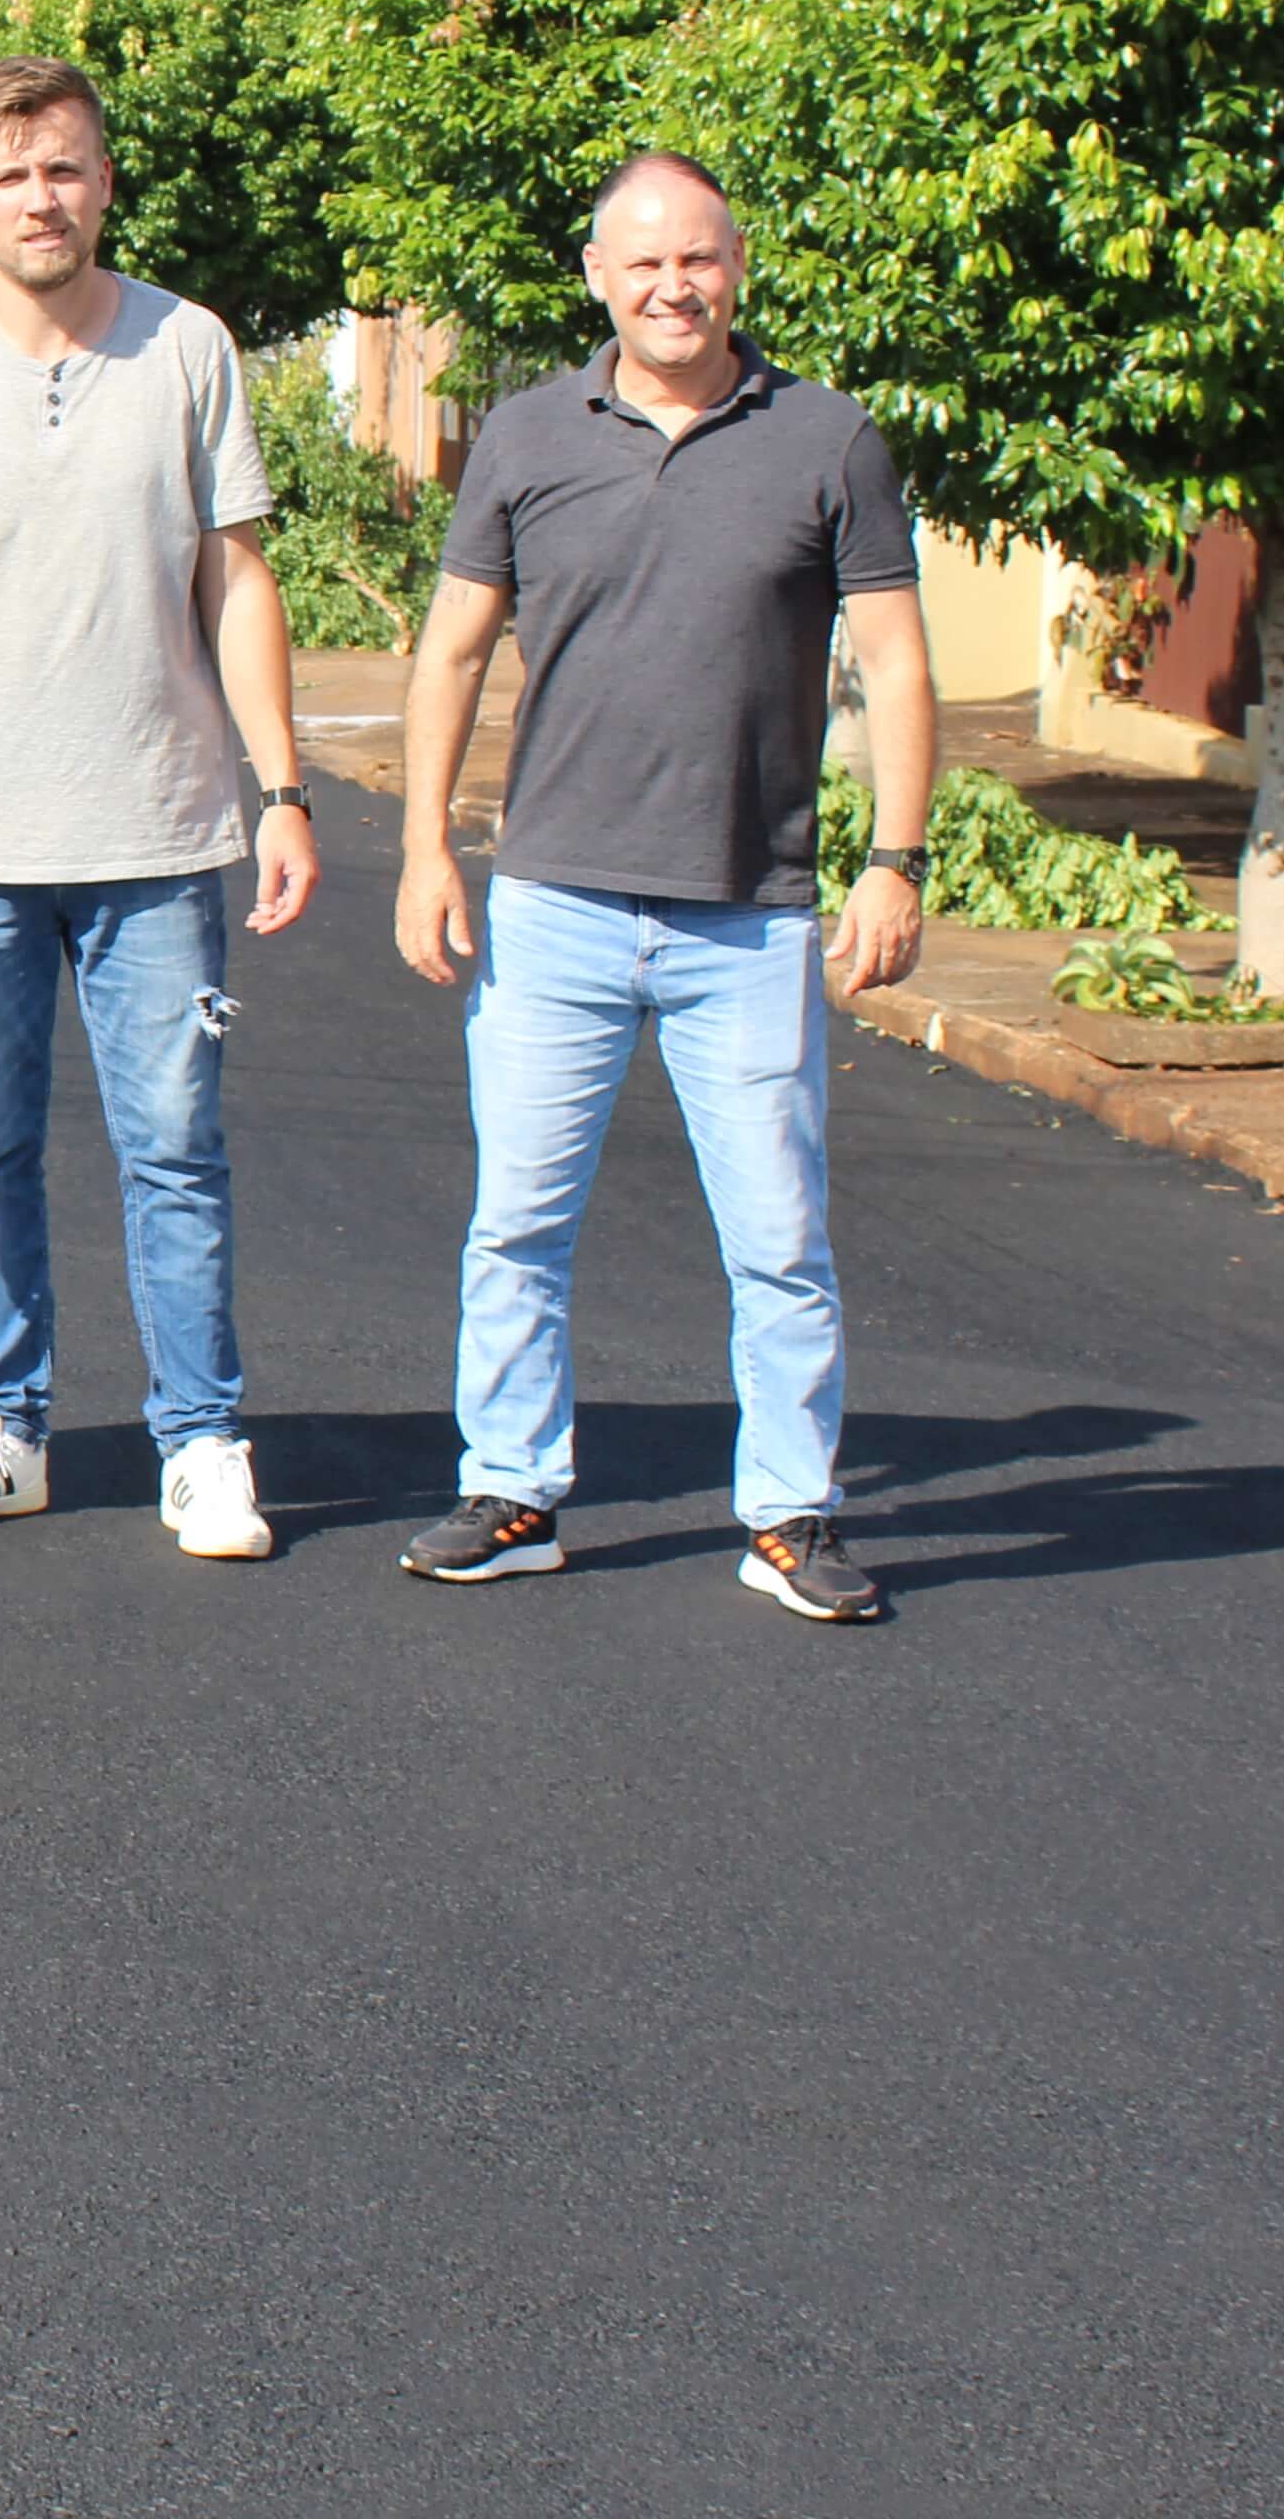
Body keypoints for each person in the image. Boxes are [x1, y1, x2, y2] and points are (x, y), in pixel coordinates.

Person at [391, 150, 932, 1622]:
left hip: (750, 915)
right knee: (517, 1221)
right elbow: (449, 651)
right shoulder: (523, 436)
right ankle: (512, 1493)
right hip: (555, 900)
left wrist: (895, 860)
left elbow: (891, 661)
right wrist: (425, 843)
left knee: (778, 1239)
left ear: (736, 265)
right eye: (641, 263)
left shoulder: (828, 441)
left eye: (695, 259)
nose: (670, 287)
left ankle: (791, 1516)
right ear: (597, 277)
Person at [0, 56, 318, 1563]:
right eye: (12, 172)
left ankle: (202, 1441)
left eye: (68, 168)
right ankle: (0, 1429)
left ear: (105, 182)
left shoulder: (188, 348)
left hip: (161, 837)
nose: (43, 196)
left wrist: (280, 787)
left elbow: (236, 573)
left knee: (175, 1147)